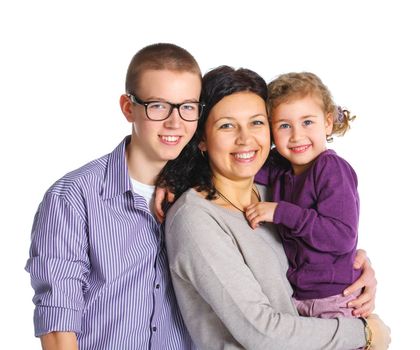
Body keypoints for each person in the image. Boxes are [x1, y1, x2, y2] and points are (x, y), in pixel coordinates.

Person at [159, 66, 390, 349]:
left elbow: (328, 234)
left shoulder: (273, 191)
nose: (245, 139)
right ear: (202, 140)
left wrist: (356, 263)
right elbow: (262, 333)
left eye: (256, 122)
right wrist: (363, 333)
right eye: (226, 125)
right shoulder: (195, 219)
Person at [25, 43, 202, 350]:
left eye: (187, 107)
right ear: (127, 107)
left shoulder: (200, 193)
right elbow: (58, 323)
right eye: (158, 105)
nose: (175, 123)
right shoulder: (73, 197)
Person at [245, 72, 363, 319]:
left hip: (335, 299)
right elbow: (239, 163)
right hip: (299, 298)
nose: (296, 136)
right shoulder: (280, 169)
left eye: (307, 122)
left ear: (328, 122)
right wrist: (176, 178)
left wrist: (280, 212)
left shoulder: (331, 168)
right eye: (284, 126)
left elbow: (341, 237)